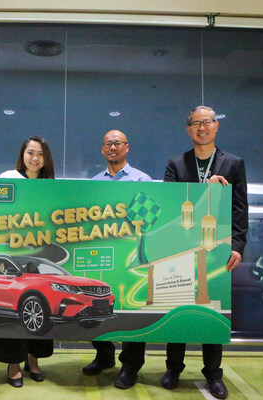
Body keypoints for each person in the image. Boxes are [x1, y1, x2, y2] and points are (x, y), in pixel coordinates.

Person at [162, 106, 248, 399]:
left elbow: (240, 207)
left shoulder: (234, 163)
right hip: (183, 246)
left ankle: (213, 374)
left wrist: (238, 245)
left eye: (207, 122)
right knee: (178, 307)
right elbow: (171, 205)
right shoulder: (176, 164)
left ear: (216, 126)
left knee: (213, 310)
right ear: (189, 129)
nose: (202, 127)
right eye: (196, 123)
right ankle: (173, 369)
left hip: (218, 247)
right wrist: (205, 190)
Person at [83, 129, 152, 390]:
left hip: (132, 255)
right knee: (96, 304)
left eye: (118, 143)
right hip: (102, 254)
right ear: (103, 149)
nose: (113, 148)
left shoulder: (142, 180)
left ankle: (131, 366)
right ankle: (104, 355)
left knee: (132, 309)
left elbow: (149, 221)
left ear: (127, 147)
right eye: (108, 144)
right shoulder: (94, 182)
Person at [0, 135, 56, 388]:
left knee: (40, 307)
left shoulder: (51, 185)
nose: (35, 158)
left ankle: (33, 360)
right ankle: (13, 364)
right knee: (13, 309)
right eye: (31, 152)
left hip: (40, 258)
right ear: (22, 155)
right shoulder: (8, 178)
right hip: (11, 254)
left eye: (40, 154)